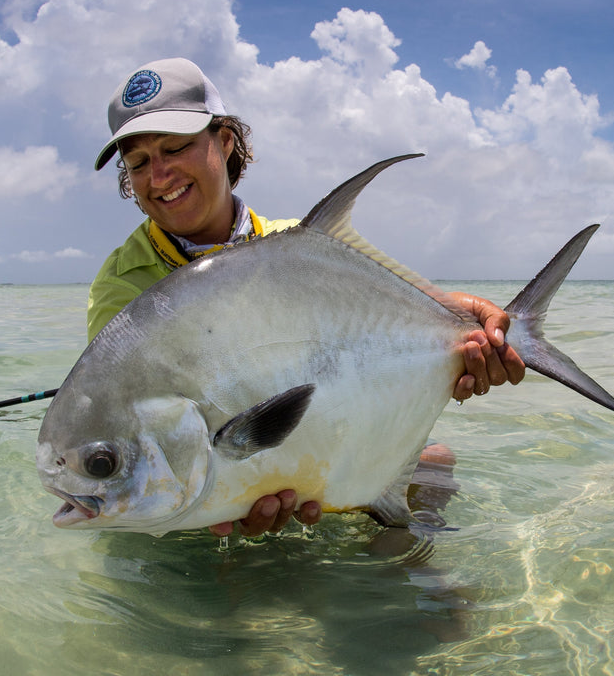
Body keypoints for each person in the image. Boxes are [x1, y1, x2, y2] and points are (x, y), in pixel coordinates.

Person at [88, 58, 525, 538]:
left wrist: (471, 325)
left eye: (175, 148)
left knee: (434, 464)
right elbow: (120, 417)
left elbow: (388, 318)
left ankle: (412, 572)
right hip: (207, 491)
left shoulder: (299, 246)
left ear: (225, 140)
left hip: (319, 453)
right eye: (138, 163)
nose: (160, 176)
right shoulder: (123, 284)